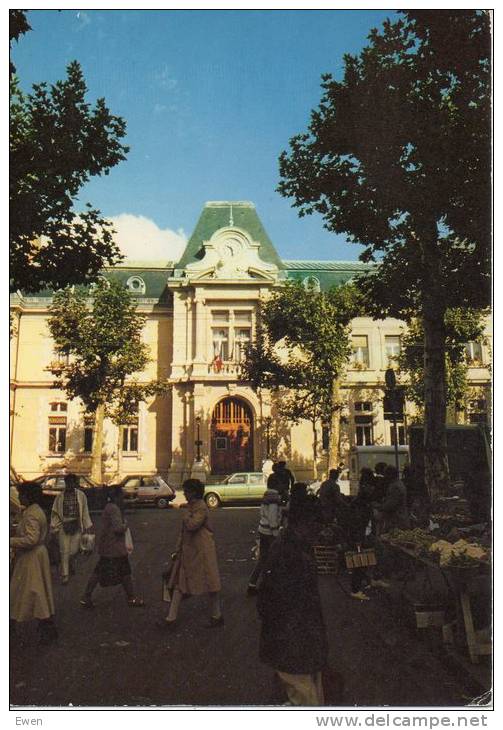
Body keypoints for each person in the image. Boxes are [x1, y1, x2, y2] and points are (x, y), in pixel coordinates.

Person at [257, 502, 328, 706]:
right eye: (317, 525)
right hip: (294, 643)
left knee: (302, 696)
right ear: (305, 524)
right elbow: (289, 604)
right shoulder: (292, 554)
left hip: (294, 642)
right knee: (306, 700)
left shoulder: (291, 546)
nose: (320, 532)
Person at [158, 479, 223, 629]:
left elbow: (192, 525)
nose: (185, 494)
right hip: (189, 551)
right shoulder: (193, 507)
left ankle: (217, 615)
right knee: (180, 584)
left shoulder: (200, 507)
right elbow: (184, 532)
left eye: (187, 491)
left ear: (193, 492)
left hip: (202, 552)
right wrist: (177, 549)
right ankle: (171, 618)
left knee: (210, 583)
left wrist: (186, 514)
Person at [80, 487, 145, 608]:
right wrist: (125, 525)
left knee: (103, 571)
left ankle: (86, 596)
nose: (123, 498)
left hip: (108, 547)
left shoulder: (108, 507)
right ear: (117, 496)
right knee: (124, 572)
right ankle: (131, 598)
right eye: (121, 496)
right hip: (115, 548)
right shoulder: (114, 509)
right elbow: (118, 528)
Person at [10, 482, 57, 644]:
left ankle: (45, 628)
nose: (19, 497)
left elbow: (31, 539)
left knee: (31, 591)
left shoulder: (31, 514)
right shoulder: (34, 511)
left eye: (21, 494)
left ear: (28, 496)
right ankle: (45, 627)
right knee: (34, 591)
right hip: (36, 556)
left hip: (31, 557)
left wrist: (10, 541)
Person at [50, 473, 93, 585]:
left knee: (73, 550)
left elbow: (84, 511)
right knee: (64, 551)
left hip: (76, 525)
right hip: (64, 525)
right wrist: (55, 527)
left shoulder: (81, 495)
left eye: (71, 482)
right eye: (67, 482)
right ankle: (65, 575)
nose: (69, 484)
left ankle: (70, 563)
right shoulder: (59, 497)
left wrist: (87, 525)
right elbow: (55, 513)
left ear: (75, 483)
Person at [247, 482, 282, 594]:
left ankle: (252, 583)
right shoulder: (274, 500)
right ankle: (269, 585)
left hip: (263, 529)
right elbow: (272, 518)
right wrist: (276, 533)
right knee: (273, 559)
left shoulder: (267, 497)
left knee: (263, 559)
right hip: (270, 532)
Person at [346, 468, 374, 600]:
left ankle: (363, 582)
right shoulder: (361, 503)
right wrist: (358, 538)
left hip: (360, 533)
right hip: (358, 534)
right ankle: (355, 589)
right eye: (370, 487)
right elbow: (358, 521)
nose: (372, 489)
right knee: (358, 561)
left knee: (362, 559)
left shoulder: (361, 501)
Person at [376, 465, 410, 533]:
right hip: (400, 518)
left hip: (396, 520)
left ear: (390, 475)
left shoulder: (395, 486)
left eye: (386, 474)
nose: (385, 477)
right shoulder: (399, 483)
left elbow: (391, 504)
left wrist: (379, 506)